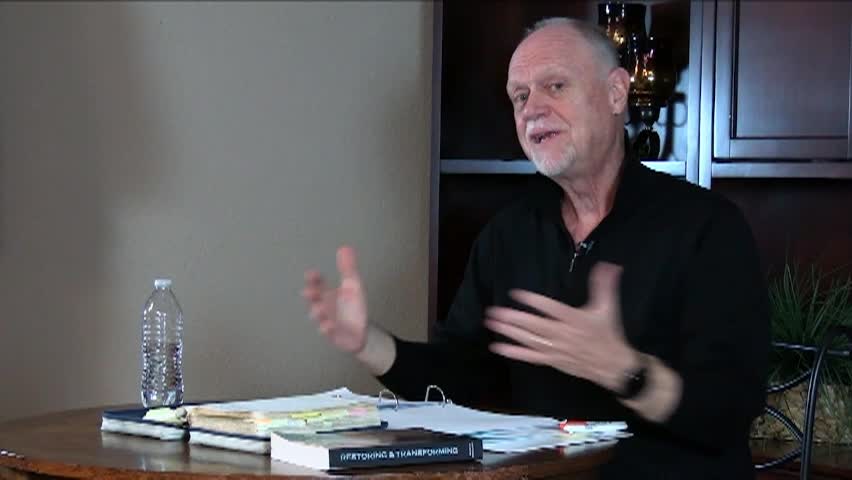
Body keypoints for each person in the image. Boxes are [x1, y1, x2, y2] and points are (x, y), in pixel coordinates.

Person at [302, 17, 769, 479]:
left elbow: (728, 412)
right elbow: (464, 379)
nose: (531, 109)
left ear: (616, 93)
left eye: (555, 86)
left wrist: (626, 370)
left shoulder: (706, 227)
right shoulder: (508, 234)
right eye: (519, 97)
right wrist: (370, 343)